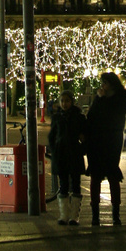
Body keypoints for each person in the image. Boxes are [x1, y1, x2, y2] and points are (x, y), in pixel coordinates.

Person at [85, 71, 126, 226]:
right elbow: (91, 116)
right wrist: (99, 99)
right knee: (95, 176)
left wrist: (102, 101)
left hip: (112, 139)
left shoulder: (119, 100)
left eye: (105, 83)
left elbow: (113, 117)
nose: (103, 86)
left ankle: (116, 213)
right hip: (97, 140)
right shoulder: (100, 99)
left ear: (111, 84)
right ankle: (95, 215)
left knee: (113, 173)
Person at [48, 90, 87, 226]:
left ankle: (74, 216)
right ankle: (64, 215)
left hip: (74, 153)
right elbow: (52, 136)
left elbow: (85, 136)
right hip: (61, 154)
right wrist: (54, 150)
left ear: (72, 102)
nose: (65, 104)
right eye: (62, 101)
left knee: (76, 184)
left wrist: (81, 148)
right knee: (63, 184)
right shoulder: (57, 117)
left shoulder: (79, 117)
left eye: (67, 101)